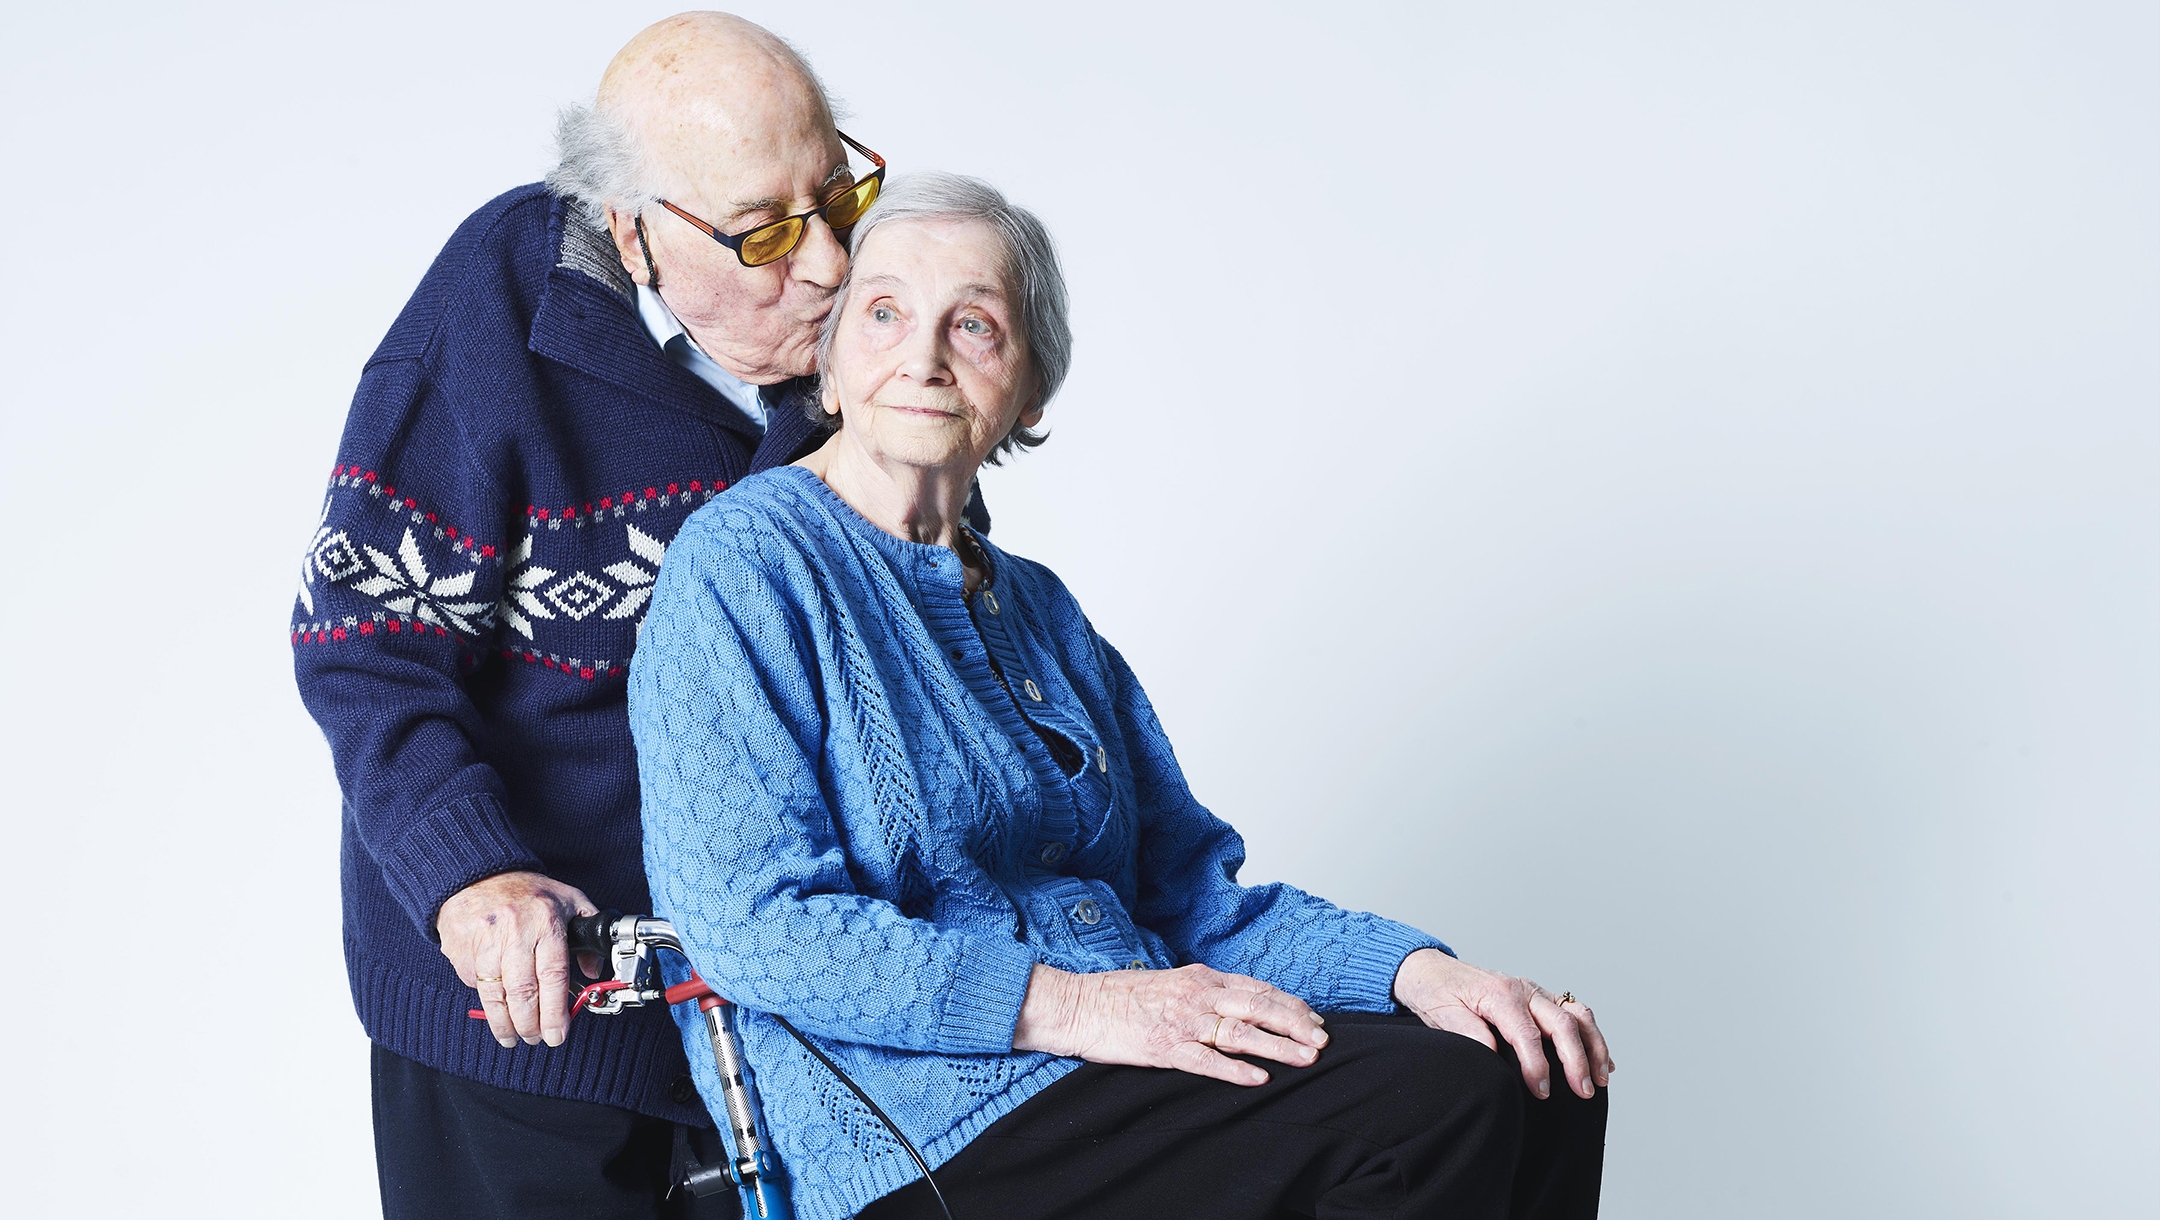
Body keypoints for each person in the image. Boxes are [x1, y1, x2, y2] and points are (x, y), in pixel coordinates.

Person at [630, 172, 1614, 1220]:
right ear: (826, 370)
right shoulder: (743, 562)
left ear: (1030, 388)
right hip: (927, 1120)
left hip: (1116, 1074)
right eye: (882, 314)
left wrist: (1417, 972)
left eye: (972, 324)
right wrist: (1083, 1006)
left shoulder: (1041, 611)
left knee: (1534, 1064)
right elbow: (751, 925)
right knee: (1437, 1104)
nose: (921, 358)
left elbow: (1194, 901)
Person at [288, 13, 971, 1217]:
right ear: (629, 227)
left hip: (787, 991)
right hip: (527, 1001)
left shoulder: (864, 327)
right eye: (760, 230)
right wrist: (471, 876)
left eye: (838, 196)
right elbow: (364, 640)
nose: (822, 262)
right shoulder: (498, 308)